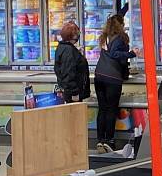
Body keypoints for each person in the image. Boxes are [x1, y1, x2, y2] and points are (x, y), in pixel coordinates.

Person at [94, 14, 137, 153]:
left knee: (102, 109)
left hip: (99, 75)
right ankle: (110, 141)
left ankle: (100, 140)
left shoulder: (104, 37)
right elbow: (115, 54)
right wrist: (131, 53)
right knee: (111, 109)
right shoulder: (120, 38)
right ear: (121, 25)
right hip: (112, 78)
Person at [53, 22, 90, 103]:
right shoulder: (69, 51)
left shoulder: (62, 47)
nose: (78, 35)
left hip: (67, 91)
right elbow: (69, 73)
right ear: (72, 36)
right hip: (73, 94)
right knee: (75, 114)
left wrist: (76, 53)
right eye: (77, 33)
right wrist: (75, 93)